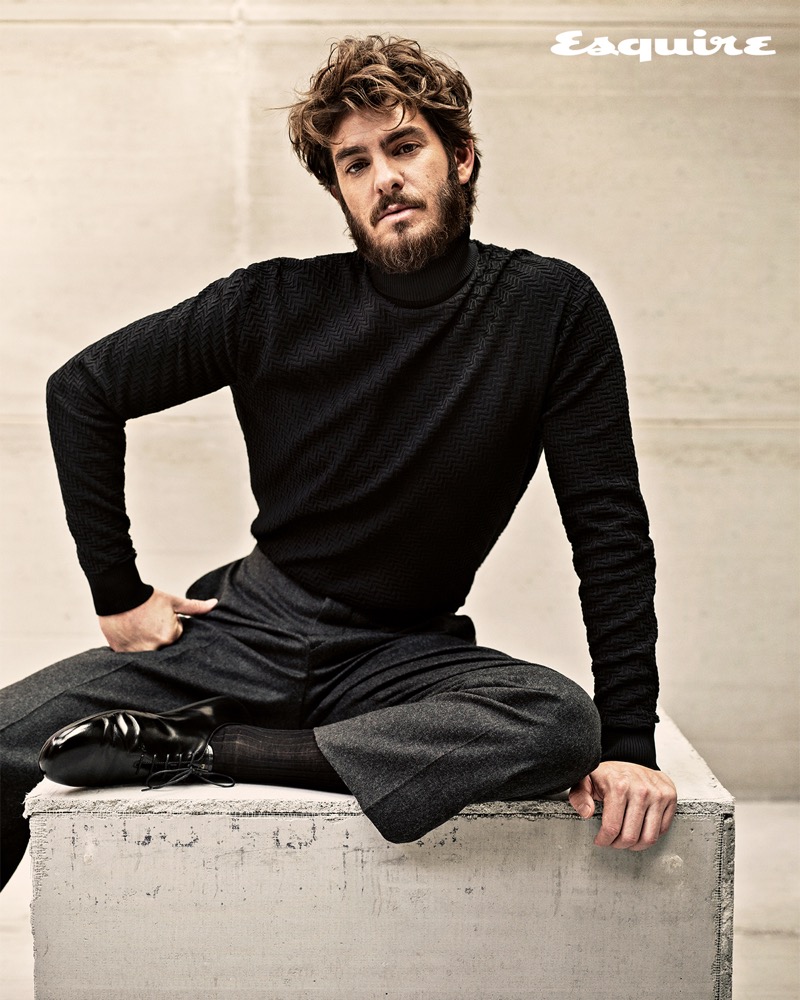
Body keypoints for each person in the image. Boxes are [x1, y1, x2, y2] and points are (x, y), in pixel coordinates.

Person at [0, 35, 676, 890]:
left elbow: (609, 531)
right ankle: (259, 736)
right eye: (355, 164)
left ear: (461, 158)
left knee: (559, 725)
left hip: (397, 657)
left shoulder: (549, 309)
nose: (383, 177)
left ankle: (208, 750)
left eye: (404, 147)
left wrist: (629, 744)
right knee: (4, 738)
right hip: (246, 632)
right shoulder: (271, 303)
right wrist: (118, 595)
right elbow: (83, 390)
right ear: (340, 191)